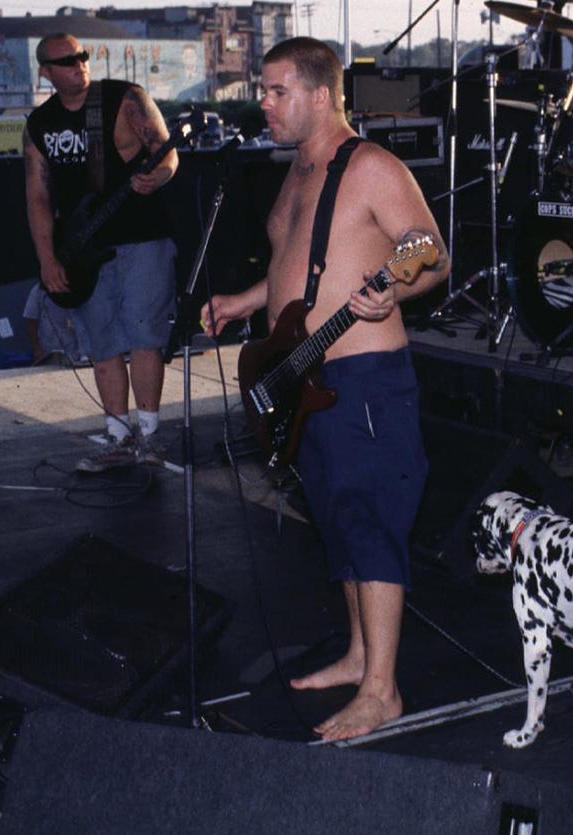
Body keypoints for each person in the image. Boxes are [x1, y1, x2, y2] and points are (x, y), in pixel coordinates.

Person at [202, 37, 449, 741]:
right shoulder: (297, 171)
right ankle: (358, 654)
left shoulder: (369, 166)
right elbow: (300, 266)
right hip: (303, 373)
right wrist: (247, 300)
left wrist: (390, 289)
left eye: (277, 90)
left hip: (363, 375)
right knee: (338, 519)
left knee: (370, 520)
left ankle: (382, 689)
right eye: (265, 90)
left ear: (320, 94)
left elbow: (428, 248)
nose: (265, 103)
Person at [23, 33, 180, 472]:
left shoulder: (123, 98)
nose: (79, 64)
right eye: (67, 60)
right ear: (46, 71)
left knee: (145, 335)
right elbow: (36, 196)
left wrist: (160, 176)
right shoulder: (40, 124)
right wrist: (47, 258)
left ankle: (149, 436)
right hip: (83, 249)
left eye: (83, 56)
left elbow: (167, 151)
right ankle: (117, 438)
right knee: (102, 344)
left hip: (142, 237)